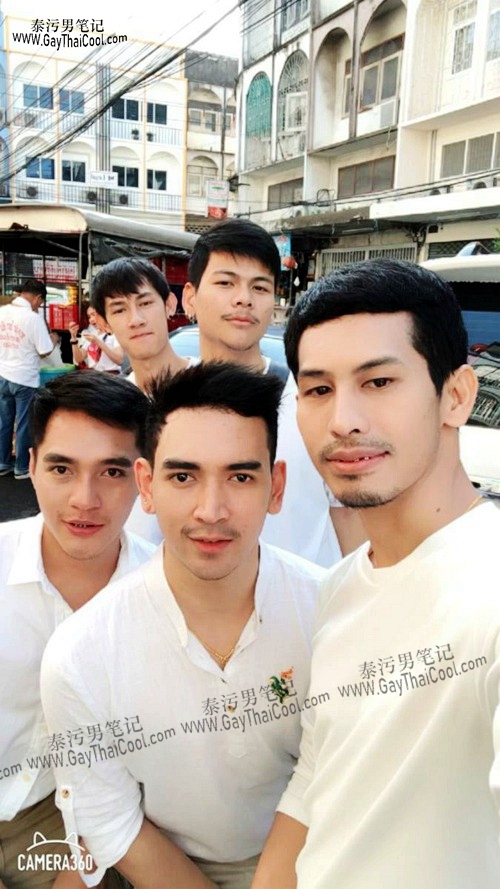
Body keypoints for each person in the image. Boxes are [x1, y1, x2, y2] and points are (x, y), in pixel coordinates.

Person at [252, 258, 500, 889]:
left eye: (379, 381)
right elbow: (319, 777)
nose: (343, 420)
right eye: (318, 390)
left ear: (456, 395)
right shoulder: (339, 587)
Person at [40, 362, 326, 889]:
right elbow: (109, 818)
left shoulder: (331, 612)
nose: (211, 510)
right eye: (183, 477)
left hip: (315, 855)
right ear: (147, 485)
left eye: (240, 477)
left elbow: (327, 773)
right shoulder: (81, 654)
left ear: (276, 487)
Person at [0, 371, 155, 888]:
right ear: (30, 465)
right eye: (62, 468)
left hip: (70, 824)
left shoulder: (165, 600)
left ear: (144, 479)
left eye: (111, 472)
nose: (84, 499)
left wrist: (81, 870)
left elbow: (143, 771)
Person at [182, 218, 365, 564]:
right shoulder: (168, 408)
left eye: (260, 287)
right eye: (225, 283)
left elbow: (349, 517)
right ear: (190, 296)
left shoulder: (318, 404)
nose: (244, 299)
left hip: (312, 596)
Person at [91, 259, 190, 391]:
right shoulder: (116, 400)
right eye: (119, 310)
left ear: (169, 305)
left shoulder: (211, 383)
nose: (136, 320)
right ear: (104, 323)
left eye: (145, 303)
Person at [0, 278, 54, 479]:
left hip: (2, 375)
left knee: (4, 421)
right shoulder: (33, 318)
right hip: (24, 378)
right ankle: (21, 467)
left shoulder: (2, 312)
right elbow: (45, 350)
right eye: (40, 302)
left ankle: (3, 462)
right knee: (24, 423)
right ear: (38, 298)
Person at [68, 307, 123, 374]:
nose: (91, 320)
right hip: (95, 375)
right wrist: (73, 338)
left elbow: (119, 360)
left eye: (93, 315)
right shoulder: (92, 335)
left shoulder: (114, 334)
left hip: (110, 376)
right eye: (89, 317)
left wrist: (98, 342)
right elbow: (79, 359)